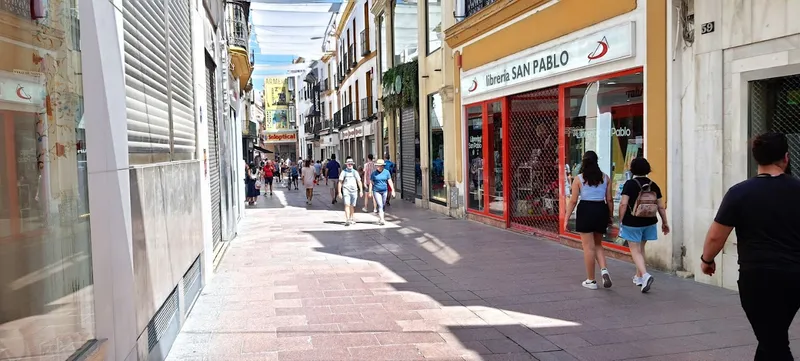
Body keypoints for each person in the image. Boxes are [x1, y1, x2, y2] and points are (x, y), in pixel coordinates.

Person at [701, 132, 800, 360]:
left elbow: (716, 236)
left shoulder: (740, 192)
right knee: (771, 335)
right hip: (794, 277)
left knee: (773, 342)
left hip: (758, 278)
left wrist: (707, 260)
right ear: (785, 158)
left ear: (757, 159)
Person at [618, 157, 669, 293]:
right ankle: (638, 277)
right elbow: (661, 207)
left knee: (635, 250)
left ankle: (645, 275)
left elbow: (623, 203)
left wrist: (620, 219)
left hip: (632, 222)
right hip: (649, 222)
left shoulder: (630, 184)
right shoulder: (654, 185)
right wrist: (665, 222)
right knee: (641, 249)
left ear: (632, 169)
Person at [564, 151, 613, 290]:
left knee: (588, 247)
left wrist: (566, 219)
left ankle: (591, 280)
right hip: (600, 209)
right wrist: (609, 215)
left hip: (585, 210)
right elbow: (609, 199)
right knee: (598, 244)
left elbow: (573, 201)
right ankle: (604, 270)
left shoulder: (579, 179)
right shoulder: (605, 177)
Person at [338, 157, 364, 226]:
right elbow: (340, 182)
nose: (350, 165)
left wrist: (361, 190)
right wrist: (339, 192)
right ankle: (347, 219)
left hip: (354, 191)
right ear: (346, 164)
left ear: (353, 165)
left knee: (352, 205)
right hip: (346, 190)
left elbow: (359, 181)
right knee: (347, 204)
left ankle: (351, 218)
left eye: (351, 164)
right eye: (349, 164)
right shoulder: (343, 172)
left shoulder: (355, 172)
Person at [369, 159, 395, 225]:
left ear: (383, 166)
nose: (379, 167)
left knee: (383, 205)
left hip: (384, 191)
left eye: (380, 166)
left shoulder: (387, 172)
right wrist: (370, 192)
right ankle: (382, 219)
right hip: (376, 191)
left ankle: (381, 217)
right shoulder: (373, 174)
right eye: (377, 166)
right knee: (380, 204)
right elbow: (371, 183)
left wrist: (393, 190)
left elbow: (390, 181)